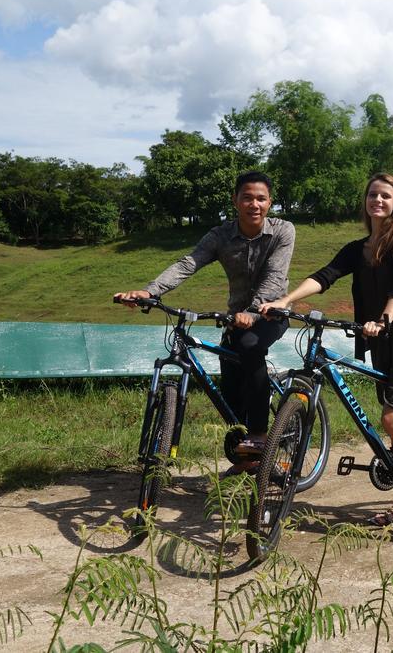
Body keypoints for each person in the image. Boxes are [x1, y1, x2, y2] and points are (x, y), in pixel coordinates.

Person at [259, 172, 393, 549]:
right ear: (366, 201)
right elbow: (325, 276)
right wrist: (286, 301)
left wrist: (386, 317)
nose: (378, 201)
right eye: (373, 195)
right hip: (382, 343)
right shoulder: (359, 248)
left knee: (392, 418)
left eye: (386, 196)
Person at [114, 171, 294, 474]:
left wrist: (253, 311)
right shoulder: (220, 236)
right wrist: (150, 291)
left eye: (261, 198)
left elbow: (276, 277)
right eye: (247, 197)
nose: (254, 204)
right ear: (235, 201)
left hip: (270, 314)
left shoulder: (282, 231)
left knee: (250, 346)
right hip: (233, 320)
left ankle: (261, 435)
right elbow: (189, 263)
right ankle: (247, 460)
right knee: (231, 391)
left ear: (270, 202)